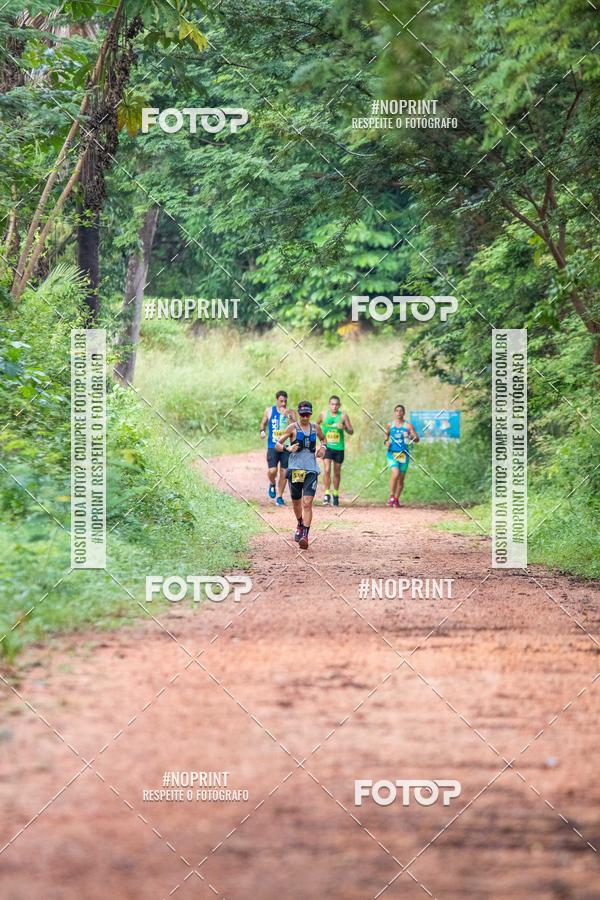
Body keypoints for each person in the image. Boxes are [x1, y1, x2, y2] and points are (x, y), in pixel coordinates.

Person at [275, 400, 327, 549]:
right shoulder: (292, 428)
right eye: (302, 414)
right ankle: (299, 523)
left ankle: (305, 534)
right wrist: (288, 448)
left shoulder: (315, 428)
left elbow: (323, 439)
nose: (305, 417)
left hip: (311, 469)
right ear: (299, 413)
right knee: (297, 502)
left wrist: (323, 447)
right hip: (295, 469)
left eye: (308, 414)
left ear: (311, 414)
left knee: (307, 502)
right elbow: (277, 444)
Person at [259, 391, 295, 505]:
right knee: (272, 470)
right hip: (272, 445)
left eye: (285, 401)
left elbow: (295, 427)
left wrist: (288, 416)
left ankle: (279, 497)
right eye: (281, 401)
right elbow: (263, 423)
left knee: (284, 472)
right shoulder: (269, 411)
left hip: (286, 446)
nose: (283, 403)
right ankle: (272, 483)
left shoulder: (291, 412)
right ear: (276, 400)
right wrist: (262, 431)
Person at [317, 395, 353, 506]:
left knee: (337, 472)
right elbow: (315, 426)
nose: (334, 406)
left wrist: (344, 428)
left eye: (337, 404)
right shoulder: (323, 414)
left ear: (339, 405)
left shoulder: (343, 416)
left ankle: (335, 494)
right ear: (329, 405)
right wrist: (321, 439)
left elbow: (351, 431)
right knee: (327, 469)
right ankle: (327, 494)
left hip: (339, 448)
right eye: (332, 404)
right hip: (327, 447)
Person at [384, 404, 419, 508]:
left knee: (401, 479)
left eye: (401, 411)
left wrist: (411, 436)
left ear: (404, 413)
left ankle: (396, 499)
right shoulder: (390, 425)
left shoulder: (408, 426)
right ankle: (391, 496)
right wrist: (386, 442)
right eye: (397, 411)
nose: (399, 413)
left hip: (404, 455)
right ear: (394, 412)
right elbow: (386, 435)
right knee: (395, 473)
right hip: (392, 453)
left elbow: (417, 439)